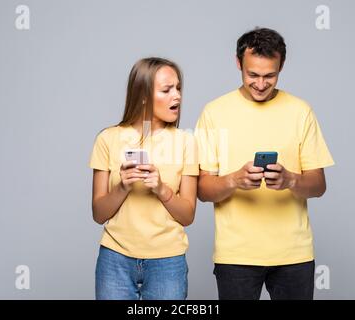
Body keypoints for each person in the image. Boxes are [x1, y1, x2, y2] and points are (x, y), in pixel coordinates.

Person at [195, 27, 334, 300]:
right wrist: (234, 180)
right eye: (252, 75)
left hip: (294, 254)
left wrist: (290, 180)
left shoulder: (300, 111)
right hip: (236, 255)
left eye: (270, 75)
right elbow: (202, 190)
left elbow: (318, 185)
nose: (260, 84)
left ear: (281, 66)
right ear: (238, 64)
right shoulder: (214, 113)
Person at [89, 57, 198, 300]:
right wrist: (123, 186)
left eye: (178, 88)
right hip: (115, 259)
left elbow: (188, 215)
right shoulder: (107, 139)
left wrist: (160, 188)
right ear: (144, 95)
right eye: (167, 90)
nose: (177, 96)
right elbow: (98, 214)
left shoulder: (186, 141)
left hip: (168, 261)